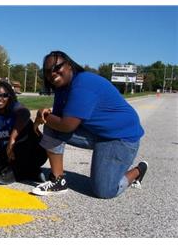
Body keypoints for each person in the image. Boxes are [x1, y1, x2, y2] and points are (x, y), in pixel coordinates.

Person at [32, 51, 147, 198]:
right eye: (48, 71)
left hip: (121, 138)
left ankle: (138, 171)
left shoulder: (83, 83)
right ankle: (58, 180)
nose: (52, 73)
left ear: (69, 65)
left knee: (105, 191)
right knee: (52, 126)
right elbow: (57, 119)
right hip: (97, 132)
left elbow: (67, 125)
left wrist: (45, 115)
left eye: (57, 67)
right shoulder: (62, 88)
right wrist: (43, 117)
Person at [0, 81, 47, 185]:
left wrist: (12, 140)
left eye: (4, 95)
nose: (0, 99)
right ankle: (30, 172)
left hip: (33, 151)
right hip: (10, 154)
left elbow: (25, 113)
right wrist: (2, 156)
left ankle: (14, 173)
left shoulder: (15, 107)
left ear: (10, 97)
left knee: (18, 149)